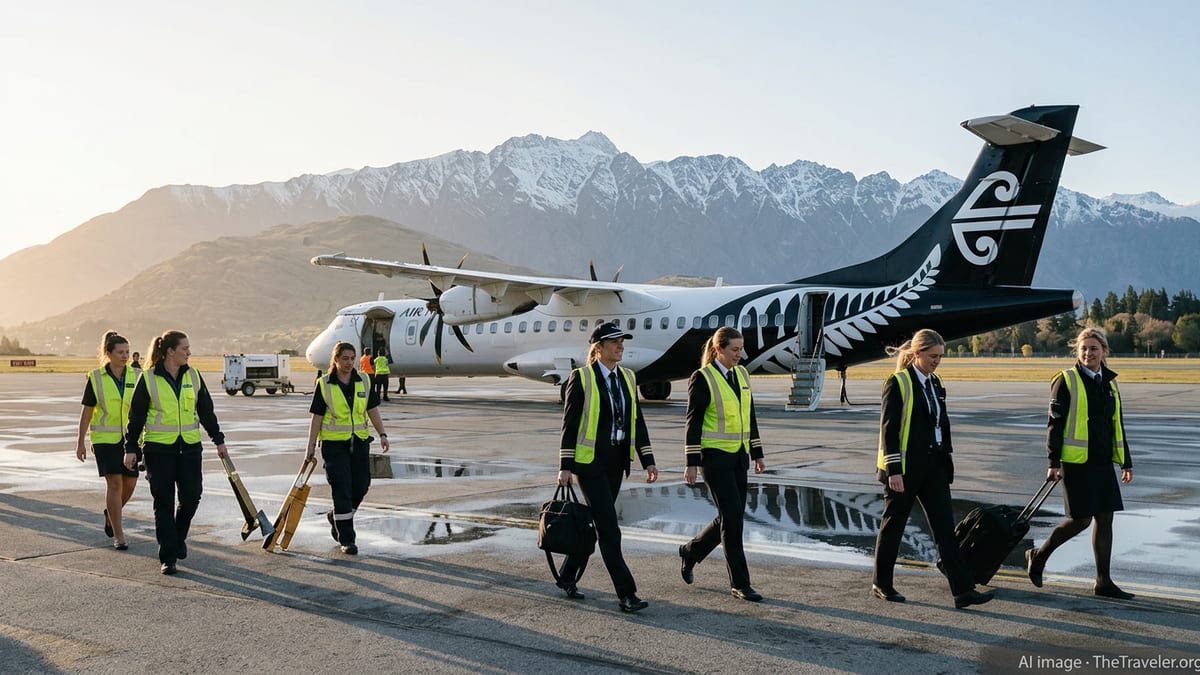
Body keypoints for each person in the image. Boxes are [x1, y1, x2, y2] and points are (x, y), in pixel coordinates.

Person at [871, 329, 993, 609]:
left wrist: (946, 458)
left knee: (944, 529)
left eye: (940, 356)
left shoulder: (935, 382)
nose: (937, 361)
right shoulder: (898, 382)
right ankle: (882, 583)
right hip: (904, 468)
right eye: (932, 356)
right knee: (893, 526)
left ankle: (962, 591)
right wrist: (893, 470)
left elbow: (941, 423)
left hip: (934, 465)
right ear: (917, 354)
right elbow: (888, 430)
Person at [1025, 326, 1135, 599]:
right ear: (1077, 351)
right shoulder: (1066, 380)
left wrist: (1125, 462)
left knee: (1105, 518)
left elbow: (1116, 424)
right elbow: (1054, 425)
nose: (1088, 353)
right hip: (1075, 461)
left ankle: (1103, 581)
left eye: (1094, 348)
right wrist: (1053, 461)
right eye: (1083, 348)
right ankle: (1038, 555)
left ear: (1104, 352)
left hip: (1101, 460)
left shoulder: (1109, 382)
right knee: (1081, 519)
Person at [556, 322, 657, 613]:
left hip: (616, 464)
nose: (620, 346)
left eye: (622, 341)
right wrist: (565, 465)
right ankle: (627, 594)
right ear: (598, 347)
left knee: (595, 523)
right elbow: (570, 424)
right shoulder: (582, 378)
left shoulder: (628, 377)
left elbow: (637, 420)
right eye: (614, 342)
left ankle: (566, 575)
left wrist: (647, 459)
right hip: (589, 465)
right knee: (610, 530)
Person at [123, 330, 228, 575]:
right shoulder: (148, 378)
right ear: (170, 351)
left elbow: (206, 411)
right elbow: (135, 417)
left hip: (190, 448)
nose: (189, 353)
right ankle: (168, 556)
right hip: (158, 450)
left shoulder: (194, 375)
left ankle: (178, 537)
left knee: (192, 496)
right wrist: (131, 449)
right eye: (185, 349)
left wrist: (218, 440)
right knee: (163, 502)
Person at [679, 326, 766, 602]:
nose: (739, 355)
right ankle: (740, 583)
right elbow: (692, 422)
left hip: (739, 455)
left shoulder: (741, 374)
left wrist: (757, 452)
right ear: (719, 350)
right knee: (733, 521)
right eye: (734, 350)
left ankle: (691, 551)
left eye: (741, 349)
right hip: (714, 458)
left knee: (732, 516)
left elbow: (748, 414)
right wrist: (691, 462)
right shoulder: (702, 378)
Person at [306, 341, 390, 555]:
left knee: (361, 484)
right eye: (345, 358)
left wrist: (382, 434)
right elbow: (316, 417)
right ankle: (347, 539)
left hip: (359, 441)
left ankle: (336, 516)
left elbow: (372, 409)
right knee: (341, 487)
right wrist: (311, 446)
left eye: (352, 358)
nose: (350, 362)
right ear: (335, 360)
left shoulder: (363, 380)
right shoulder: (324, 384)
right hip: (334, 445)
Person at [74, 330, 139, 550]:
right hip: (105, 439)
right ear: (108, 353)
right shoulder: (96, 378)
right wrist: (80, 441)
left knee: (130, 484)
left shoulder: (136, 376)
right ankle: (119, 536)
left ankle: (111, 513)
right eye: (120, 352)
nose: (125, 356)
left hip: (130, 440)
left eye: (127, 352)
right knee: (115, 483)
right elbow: (87, 412)